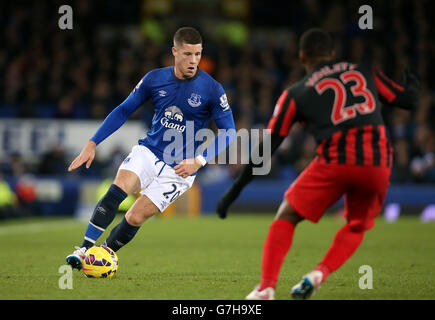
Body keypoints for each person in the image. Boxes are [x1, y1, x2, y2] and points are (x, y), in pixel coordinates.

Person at [216, 28, 419, 300]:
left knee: (286, 216)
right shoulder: (365, 71)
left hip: (336, 160)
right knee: (357, 225)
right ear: (332, 54)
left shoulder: (296, 93)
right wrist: (413, 82)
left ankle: (266, 287)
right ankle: (319, 273)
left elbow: (268, 146)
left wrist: (235, 189)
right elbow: (406, 99)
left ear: (302, 57)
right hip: (378, 161)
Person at [66, 27, 235, 269]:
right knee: (118, 189)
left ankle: (101, 255)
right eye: (187, 54)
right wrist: (93, 143)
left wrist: (199, 160)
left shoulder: (212, 89)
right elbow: (124, 110)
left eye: (198, 54)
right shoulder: (154, 79)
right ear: (175, 52)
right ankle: (83, 249)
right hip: (149, 151)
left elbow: (229, 131)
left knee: (135, 216)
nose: (193, 60)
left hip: (180, 168)